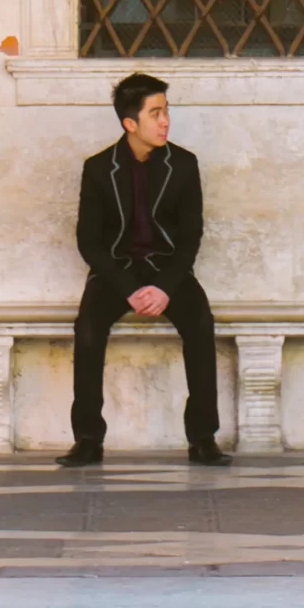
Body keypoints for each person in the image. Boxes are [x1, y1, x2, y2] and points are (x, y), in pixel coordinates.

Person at [59, 73, 229, 467]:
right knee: (87, 330)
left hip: (169, 272)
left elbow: (191, 236)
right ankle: (87, 439)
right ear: (129, 123)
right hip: (115, 273)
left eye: (166, 111)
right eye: (155, 113)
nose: (165, 121)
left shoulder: (184, 164)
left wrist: (165, 287)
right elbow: (89, 241)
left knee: (201, 325)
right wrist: (126, 289)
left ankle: (203, 438)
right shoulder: (99, 168)